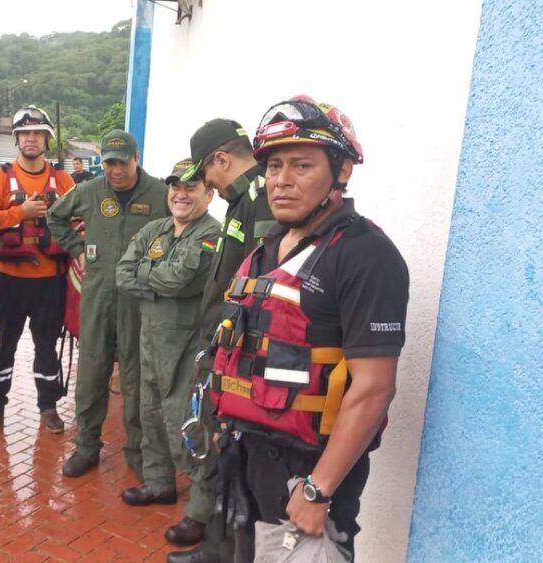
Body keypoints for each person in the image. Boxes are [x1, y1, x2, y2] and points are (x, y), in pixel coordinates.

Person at [206, 96, 409, 562]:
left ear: (342, 171)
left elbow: (374, 389)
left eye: (302, 165)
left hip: (309, 471)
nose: (282, 180)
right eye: (274, 167)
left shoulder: (366, 255)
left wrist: (319, 490)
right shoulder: (267, 248)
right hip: (248, 453)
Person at [168, 118, 275, 562]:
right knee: (221, 448)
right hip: (225, 345)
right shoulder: (243, 199)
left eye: (206, 173)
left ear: (221, 159)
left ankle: (222, 552)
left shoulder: (262, 198)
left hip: (242, 352)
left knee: (231, 455)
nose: (207, 184)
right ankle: (215, 548)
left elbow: (265, 285)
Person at [47, 129, 169, 479]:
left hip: (139, 301)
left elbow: (178, 228)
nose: (116, 170)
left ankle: (138, 450)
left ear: (137, 159)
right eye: (109, 163)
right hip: (98, 297)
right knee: (91, 376)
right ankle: (86, 447)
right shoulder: (89, 191)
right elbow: (55, 216)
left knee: (137, 378)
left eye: (122, 162)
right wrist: (77, 248)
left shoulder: (160, 193)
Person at [116, 159, 221, 547]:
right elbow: (122, 275)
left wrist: (149, 273)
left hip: (188, 343)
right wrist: (155, 274)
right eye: (175, 186)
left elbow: (179, 280)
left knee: (187, 421)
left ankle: (200, 509)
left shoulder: (212, 234)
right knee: (150, 413)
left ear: (209, 194)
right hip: (149, 337)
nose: (180, 193)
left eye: (191, 187)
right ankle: (159, 483)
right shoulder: (155, 229)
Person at [0, 105, 75, 435]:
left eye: (37, 133)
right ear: (17, 139)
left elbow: (78, 223)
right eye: (25, 134)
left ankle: (48, 406)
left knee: (47, 345)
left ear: (47, 139)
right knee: (2, 346)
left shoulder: (63, 180)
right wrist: (20, 211)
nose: (31, 139)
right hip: (10, 280)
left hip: (50, 281)